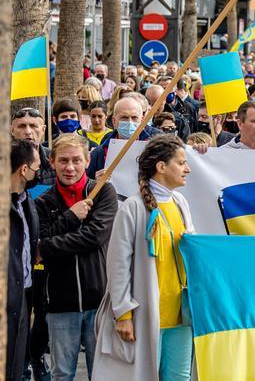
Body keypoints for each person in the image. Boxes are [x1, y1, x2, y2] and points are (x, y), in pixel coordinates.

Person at [94, 134, 195, 381]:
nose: (187, 169)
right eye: (181, 163)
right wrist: (123, 314)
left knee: (179, 377)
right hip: (145, 315)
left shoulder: (180, 202)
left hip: (180, 316)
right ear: (161, 167)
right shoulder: (133, 207)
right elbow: (118, 265)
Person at [35, 134, 119, 381]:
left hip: (99, 302)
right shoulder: (42, 203)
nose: (69, 167)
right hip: (60, 303)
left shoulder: (102, 191)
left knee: (102, 374)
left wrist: (50, 244)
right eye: (63, 160)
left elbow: (95, 237)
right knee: (62, 374)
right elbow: (39, 244)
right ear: (52, 162)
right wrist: (71, 217)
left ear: (87, 160)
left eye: (75, 160)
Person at [8, 140, 40, 381]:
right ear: (24, 170)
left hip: (22, 298)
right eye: (37, 166)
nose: (39, 171)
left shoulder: (26, 201)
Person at [87, 97, 159, 178]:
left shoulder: (155, 150)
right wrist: (94, 183)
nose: (130, 122)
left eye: (134, 118)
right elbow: (85, 186)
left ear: (142, 121)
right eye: (124, 118)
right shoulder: (98, 155)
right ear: (114, 121)